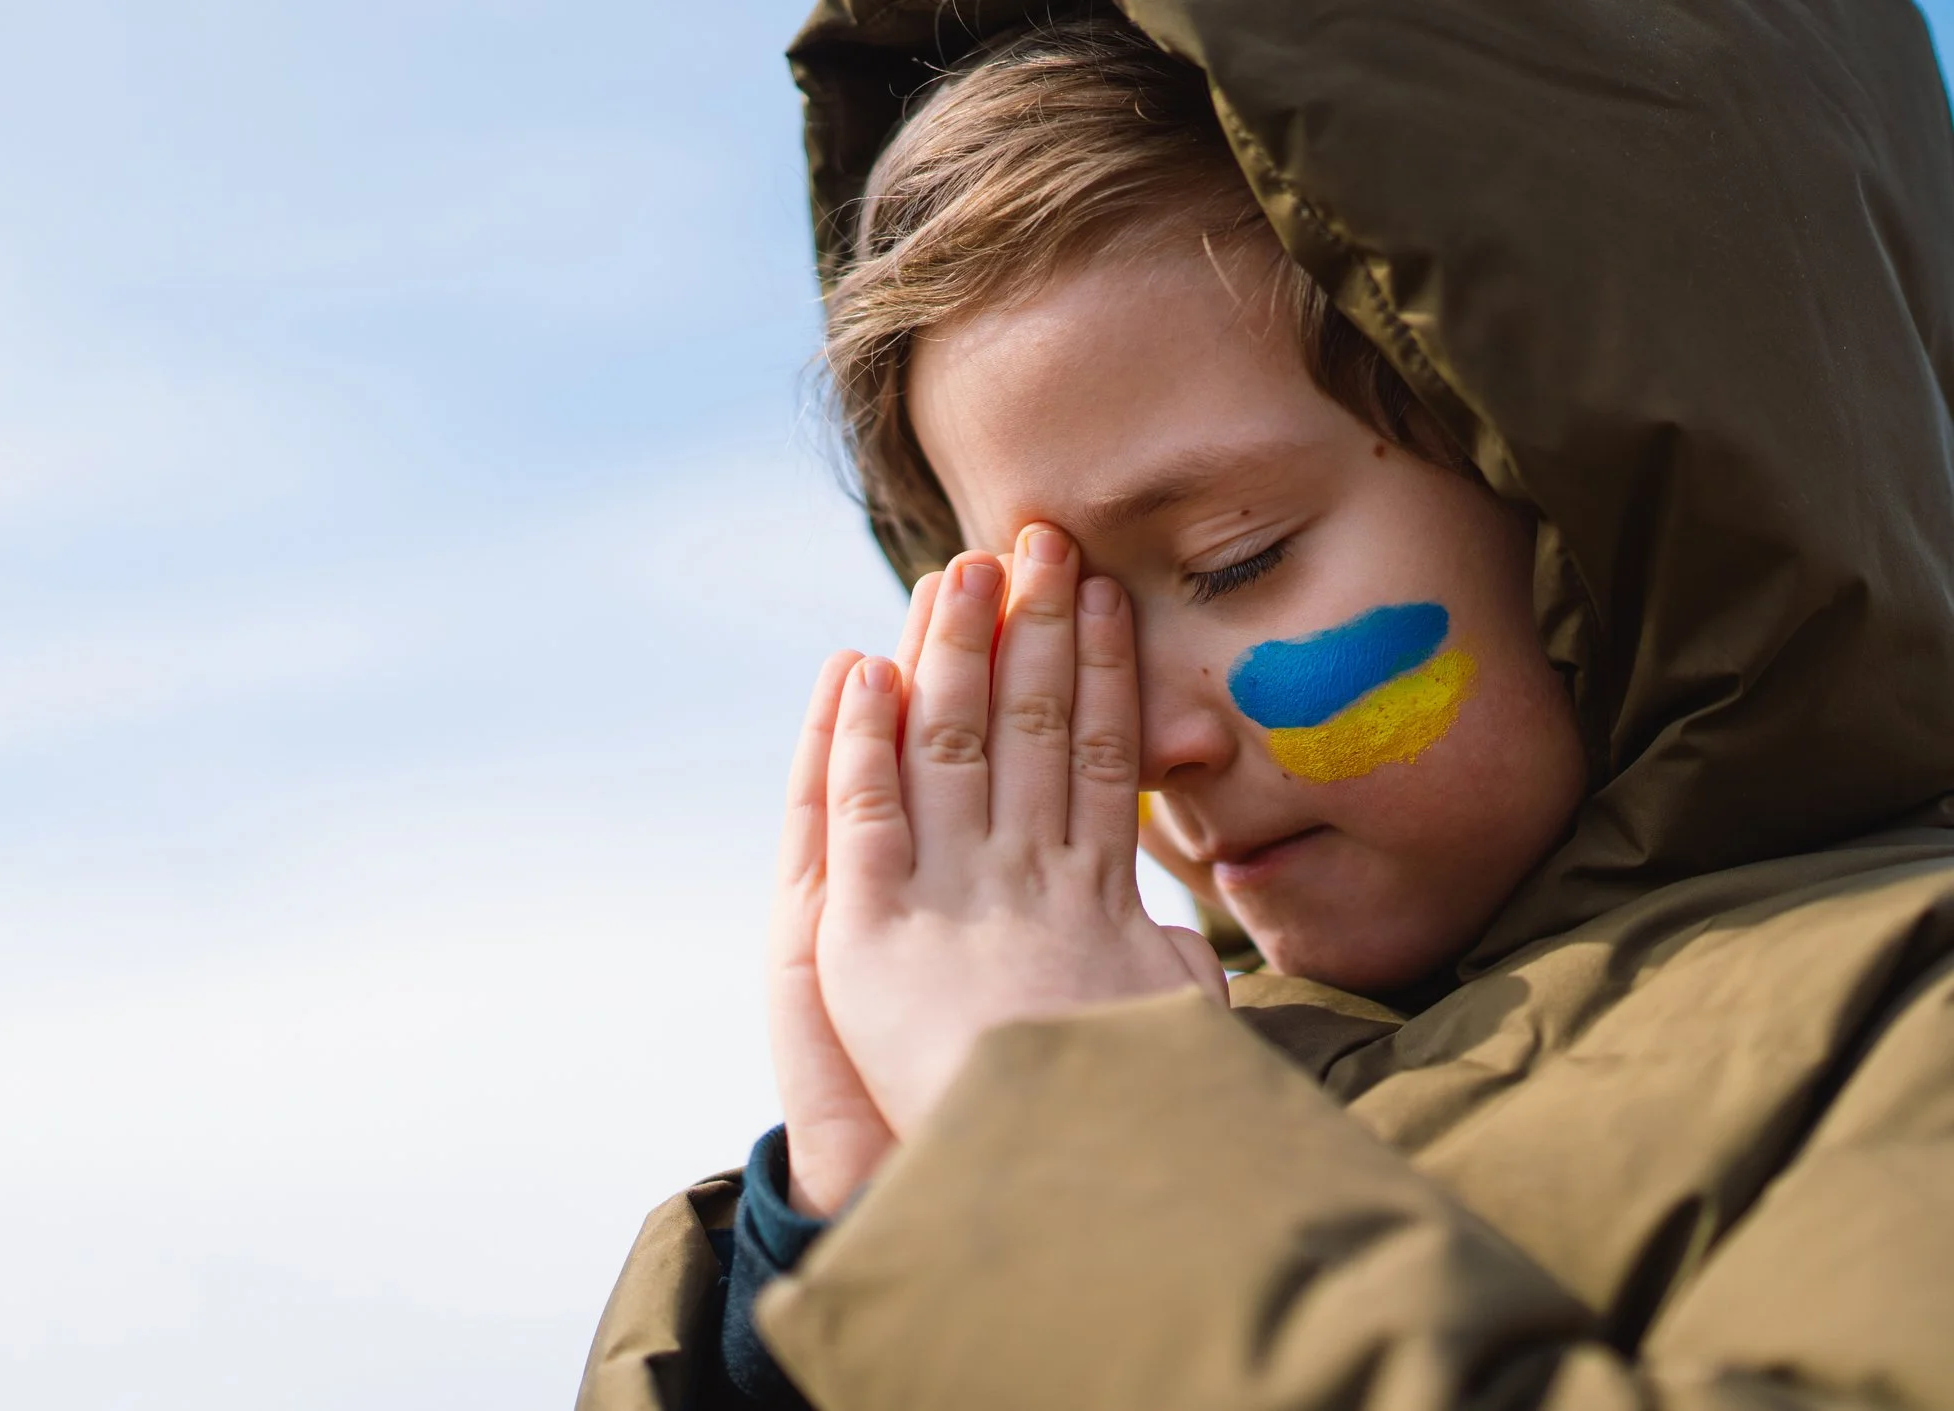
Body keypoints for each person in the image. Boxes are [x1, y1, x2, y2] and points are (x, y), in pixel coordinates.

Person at [580, 1, 1954, 1407]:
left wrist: (1085, 1161)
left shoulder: (1910, 1027)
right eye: (1064, 631)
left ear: (1602, 487)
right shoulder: (1184, 1067)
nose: (1143, 744)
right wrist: (848, 1264)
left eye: (1236, 558)